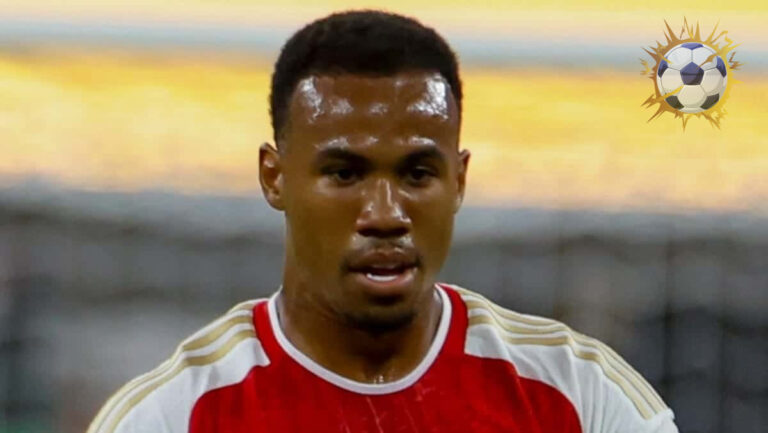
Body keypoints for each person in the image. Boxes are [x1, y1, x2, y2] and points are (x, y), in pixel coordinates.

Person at [87, 10, 678, 433]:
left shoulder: (578, 393)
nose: (385, 214)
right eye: (345, 174)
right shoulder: (174, 415)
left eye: (417, 173)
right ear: (274, 177)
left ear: (459, 181)